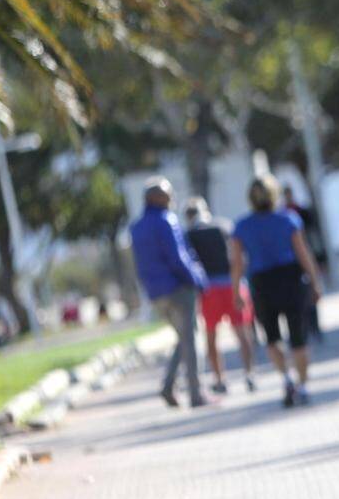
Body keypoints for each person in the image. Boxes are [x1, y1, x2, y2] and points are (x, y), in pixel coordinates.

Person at [231, 175, 322, 407]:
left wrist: (235, 292)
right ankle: (302, 386)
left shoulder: (242, 226)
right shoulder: (288, 219)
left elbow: (238, 263)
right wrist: (314, 281)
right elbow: (303, 253)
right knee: (298, 337)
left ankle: (286, 377)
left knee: (272, 337)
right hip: (291, 279)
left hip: (262, 283)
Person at [130, 176, 209, 408]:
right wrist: (198, 280)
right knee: (190, 339)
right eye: (167, 193)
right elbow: (178, 258)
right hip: (177, 289)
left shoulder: (136, 227)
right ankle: (196, 394)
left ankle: (168, 385)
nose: (172, 197)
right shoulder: (167, 220)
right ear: (154, 198)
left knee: (183, 337)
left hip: (156, 293)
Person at [184, 196, 257, 394]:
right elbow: (239, 256)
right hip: (233, 284)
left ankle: (219, 378)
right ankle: (249, 374)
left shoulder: (188, 235)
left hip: (209, 290)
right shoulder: (224, 227)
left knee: (211, 336)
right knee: (242, 333)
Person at [282, 185, 324, 343]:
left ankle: (315, 327)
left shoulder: (301, 212)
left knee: (311, 294)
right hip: (293, 261)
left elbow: (313, 235)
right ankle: (305, 328)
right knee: (300, 298)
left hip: (305, 255)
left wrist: (319, 259)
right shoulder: (284, 214)